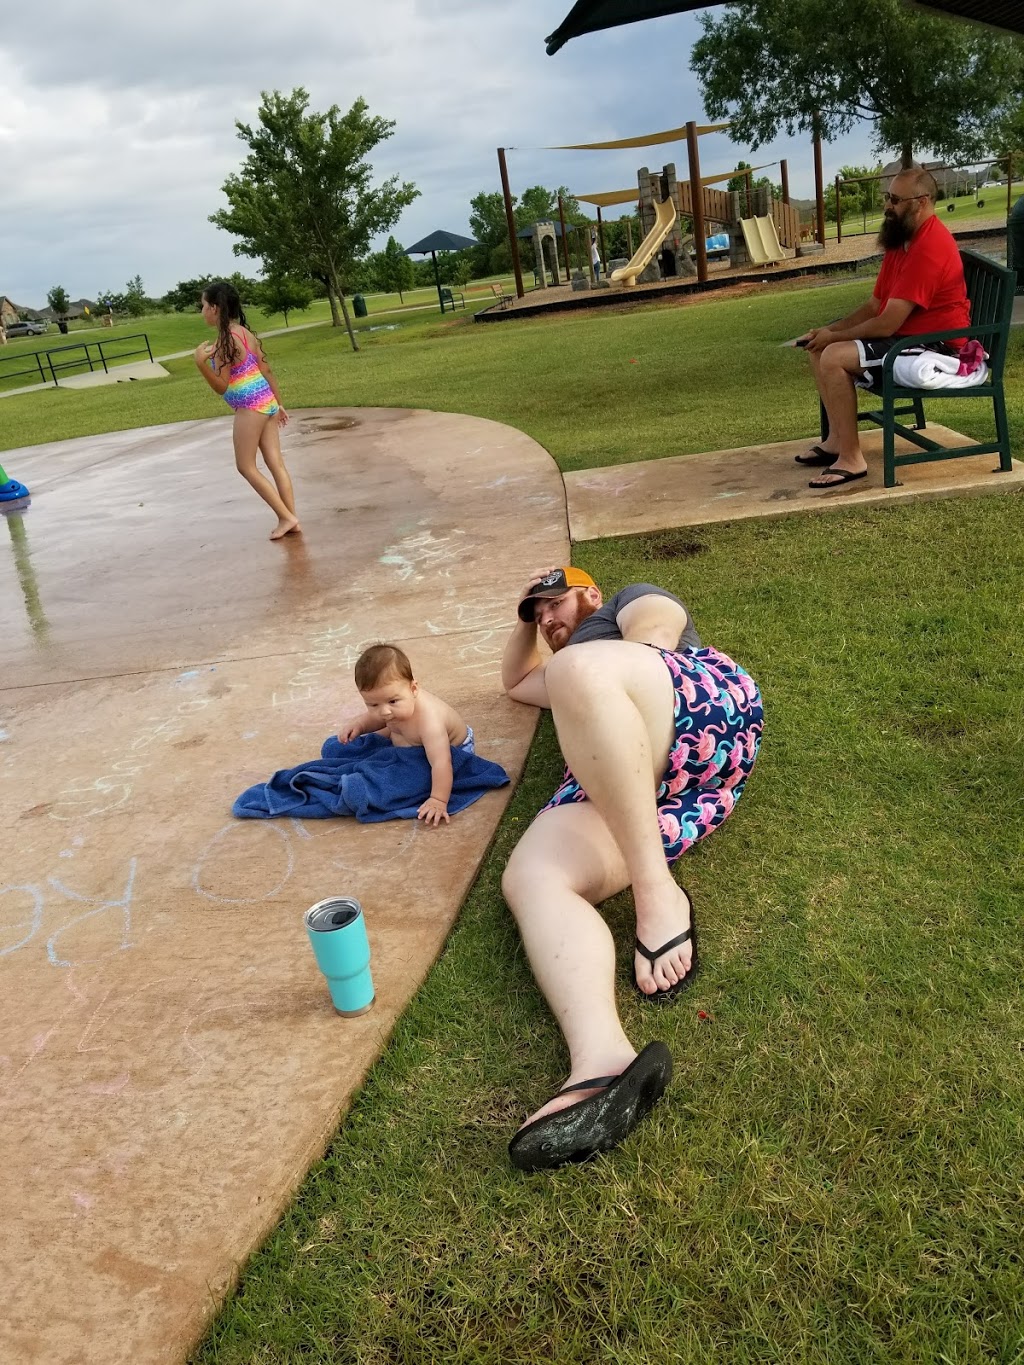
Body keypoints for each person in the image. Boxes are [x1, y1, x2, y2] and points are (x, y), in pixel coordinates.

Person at [500, 568, 763, 1171]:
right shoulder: (566, 670)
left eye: (554, 601)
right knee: (532, 877)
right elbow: (516, 683)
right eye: (535, 613)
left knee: (580, 668)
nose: (545, 618)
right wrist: (525, 621)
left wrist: (596, 656)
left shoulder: (620, 609)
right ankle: (601, 1063)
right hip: (638, 788)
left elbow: (657, 630)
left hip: (700, 713)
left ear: (591, 594)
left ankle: (657, 894)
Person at [796, 168, 969, 489]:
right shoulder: (901, 239)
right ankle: (837, 441)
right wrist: (829, 329)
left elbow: (888, 322)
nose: (887, 206)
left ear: (922, 202)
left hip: (936, 346)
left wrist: (835, 337)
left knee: (833, 355)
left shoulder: (930, 246)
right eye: (887, 198)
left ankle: (852, 459)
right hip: (906, 337)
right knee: (820, 347)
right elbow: (876, 306)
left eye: (895, 200)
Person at [195, 281, 300, 540]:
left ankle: (286, 517)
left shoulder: (225, 341)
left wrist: (201, 363)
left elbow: (221, 386)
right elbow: (266, 370)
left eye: (204, 306)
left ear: (215, 308)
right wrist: (278, 403)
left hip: (250, 407)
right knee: (275, 463)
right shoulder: (244, 332)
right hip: (266, 402)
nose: (202, 311)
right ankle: (291, 519)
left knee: (246, 466)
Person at [338, 643, 474, 826]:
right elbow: (378, 718)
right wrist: (359, 725)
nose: (384, 711)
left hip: (450, 751)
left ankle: (377, 783)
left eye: (392, 701)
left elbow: (441, 763)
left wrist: (438, 800)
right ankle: (393, 747)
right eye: (373, 704)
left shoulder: (429, 722)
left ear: (413, 689)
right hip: (408, 738)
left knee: (412, 778)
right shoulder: (396, 707)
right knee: (341, 745)